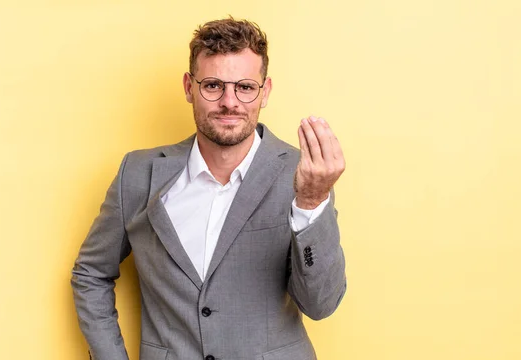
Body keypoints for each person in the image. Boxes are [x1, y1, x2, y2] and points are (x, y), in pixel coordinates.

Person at [71, 17, 347, 360]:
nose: (229, 102)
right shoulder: (138, 174)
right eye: (213, 85)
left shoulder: (304, 176)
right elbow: (91, 273)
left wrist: (310, 201)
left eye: (244, 87)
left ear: (265, 91)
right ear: (189, 87)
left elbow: (320, 304)